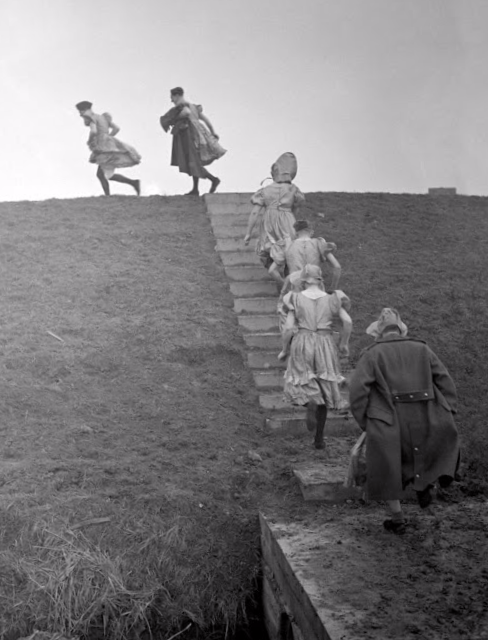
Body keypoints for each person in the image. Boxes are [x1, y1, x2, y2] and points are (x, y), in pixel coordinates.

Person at [349, 308, 460, 535]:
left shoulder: (371, 354)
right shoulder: (422, 348)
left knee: (386, 466)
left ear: (378, 332)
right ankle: (424, 485)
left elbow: (357, 393)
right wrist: (447, 411)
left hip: (388, 421)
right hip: (426, 415)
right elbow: (445, 382)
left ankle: (398, 517)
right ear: (401, 328)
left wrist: (365, 421)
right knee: (422, 452)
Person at [278, 264, 352, 449]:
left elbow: (288, 328)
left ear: (303, 281)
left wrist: (284, 349)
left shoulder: (295, 298)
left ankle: (310, 404)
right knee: (325, 390)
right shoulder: (332, 298)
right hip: (325, 343)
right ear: (320, 280)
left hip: (302, 342)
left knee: (302, 385)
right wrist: (343, 344)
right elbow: (347, 321)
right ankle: (319, 439)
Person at [244, 153, 305, 287]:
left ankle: (281, 281)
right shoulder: (293, 190)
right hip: (288, 221)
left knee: (268, 250)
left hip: (269, 223)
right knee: (289, 251)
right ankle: (290, 282)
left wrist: (248, 232)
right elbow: (296, 209)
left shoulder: (265, 190)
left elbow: (255, 212)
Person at [159, 87, 226, 196]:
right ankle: (196, 189)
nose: (171, 100)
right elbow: (206, 120)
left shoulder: (182, 107)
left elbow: (186, 112)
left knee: (192, 161)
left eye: (172, 97)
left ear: (177, 95)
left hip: (189, 134)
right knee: (192, 161)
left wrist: (175, 119)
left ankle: (213, 179)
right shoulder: (195, 107)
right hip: (199, 135)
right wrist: (213, 132)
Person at [75, 101, 141, 196]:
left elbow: (93, 131)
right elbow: (116, 128)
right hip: (108, 145)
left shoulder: (92, 118)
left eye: (80, 111)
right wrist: (108, 138)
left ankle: (111, 194)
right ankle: (132, 183)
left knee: (103, 175)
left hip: (103, 148)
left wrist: (90, 141)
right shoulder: (102, 117)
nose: (80, 114)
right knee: (103, 174)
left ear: (85, 110)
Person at [285, 220, 341, 290]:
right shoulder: (319, 244)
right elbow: (337, 267)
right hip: (315, 289)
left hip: (296, 289)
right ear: (311, 231)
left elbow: (273, 270)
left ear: (296, 232)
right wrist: (333, 289)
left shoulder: (289, 246)